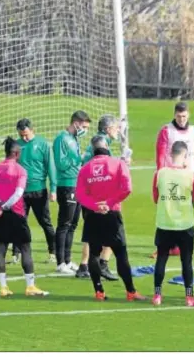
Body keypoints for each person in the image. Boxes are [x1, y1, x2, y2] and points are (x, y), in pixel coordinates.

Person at [75, 135, 144, 301]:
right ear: (106, 146)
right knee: (121, 254)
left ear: (92, 149)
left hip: (92, 216)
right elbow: (127, 188)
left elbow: (79, 195)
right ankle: (130, 291)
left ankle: (99, 291)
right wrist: (109, 203)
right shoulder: (118, 164)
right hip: (112, 213)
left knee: (94, 254)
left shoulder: (85, 168)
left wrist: (95, 206)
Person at [0, 137, 49, 297]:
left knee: (1, 250)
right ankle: (30, 286)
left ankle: (3, 287)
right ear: (16, 153)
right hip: (16, 214)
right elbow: (19, 193)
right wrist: (7, 205)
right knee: (25, 248)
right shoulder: (20, 170)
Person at [152, 141, 194, 307]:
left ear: (170, 155)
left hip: (164, 223)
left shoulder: (160, 173)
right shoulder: (191, 175)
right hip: (185, 224)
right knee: (186, 261)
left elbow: (155, 198)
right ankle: (189, 296)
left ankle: (157, 295)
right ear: (184, 156)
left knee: (161, 259)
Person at [75, 115, 126, 280]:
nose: (118, 130)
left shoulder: (96, 142)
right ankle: (103, 264)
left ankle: (84, 265)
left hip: (89, 193)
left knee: (91, 232)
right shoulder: (103, 145)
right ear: (108, 129)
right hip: (99, 195)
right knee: (111, 230)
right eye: (117, 127)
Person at [155, 101, 194, 258]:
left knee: (186, 209)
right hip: (171, 176)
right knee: (169, 209)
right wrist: (161, 174)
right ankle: (167, 245)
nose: (181, 119)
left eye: (184, 116)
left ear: (188, 114)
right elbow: (161, 155)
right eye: (178, 116)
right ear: (174, 115)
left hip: (189, 177)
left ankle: (179, 245)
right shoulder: (166, 131)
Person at [14, 118, 57, 264]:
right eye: (21, 135)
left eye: (26, 134)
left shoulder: (43, 144)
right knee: (19, 222)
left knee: (45, 222)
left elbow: (50, 166)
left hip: (39, 190)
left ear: (33, 130)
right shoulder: (16, 145)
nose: (24, 138)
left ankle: (53, 252)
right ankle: (16, 254)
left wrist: (53, 188)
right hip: (20, 192)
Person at [53, 110, 91, 274]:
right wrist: (78, 158)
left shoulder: (74, 139)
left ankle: (67, 261)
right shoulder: (61, 139)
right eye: (84, 127)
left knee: (73, 224)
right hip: (66, 184)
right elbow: (60, 163)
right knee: (64, 224)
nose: (85, 130)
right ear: (76, 123)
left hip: (77, 184)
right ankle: (60, 262)